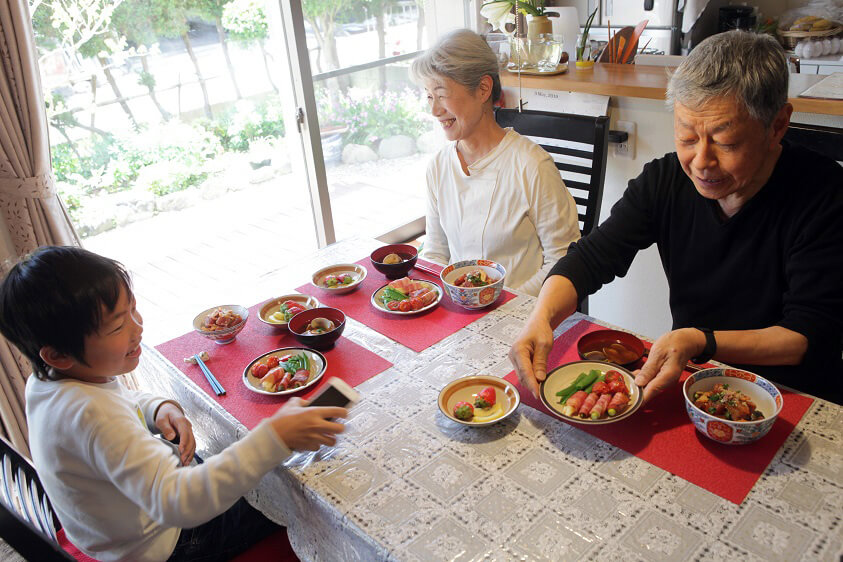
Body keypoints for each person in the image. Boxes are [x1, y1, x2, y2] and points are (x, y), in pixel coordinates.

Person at [509, 30, 843, 405]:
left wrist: (701, 339)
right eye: (686, 137)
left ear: (778, 125)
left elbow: (805, 335)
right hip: (696, 383)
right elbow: (591, 257)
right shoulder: (665, 181)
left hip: (797, 396)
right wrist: (541, 317)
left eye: (726, 142)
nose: (701, 162)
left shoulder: (825, 194)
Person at [0, 246, 348, 561]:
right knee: (295, 498)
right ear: (59, 354)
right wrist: (277, 436)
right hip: (165, 545)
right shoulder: (93, 417)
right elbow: (181, 504)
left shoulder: (49, 381)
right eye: (118, 324)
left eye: (133, 309)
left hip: (116, 527)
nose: (137, 328)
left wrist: (156, 408)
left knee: (249, 464)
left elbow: (117, 400)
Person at [411, 29, 581, 296]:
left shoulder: (532, 165)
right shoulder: (439, 167)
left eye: (441, 94)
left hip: (524, 318)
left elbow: (564, 259)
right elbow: (435, 252)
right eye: (429, 96)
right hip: (460, 317)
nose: (434, 110)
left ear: (483, 89)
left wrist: (504, 306)